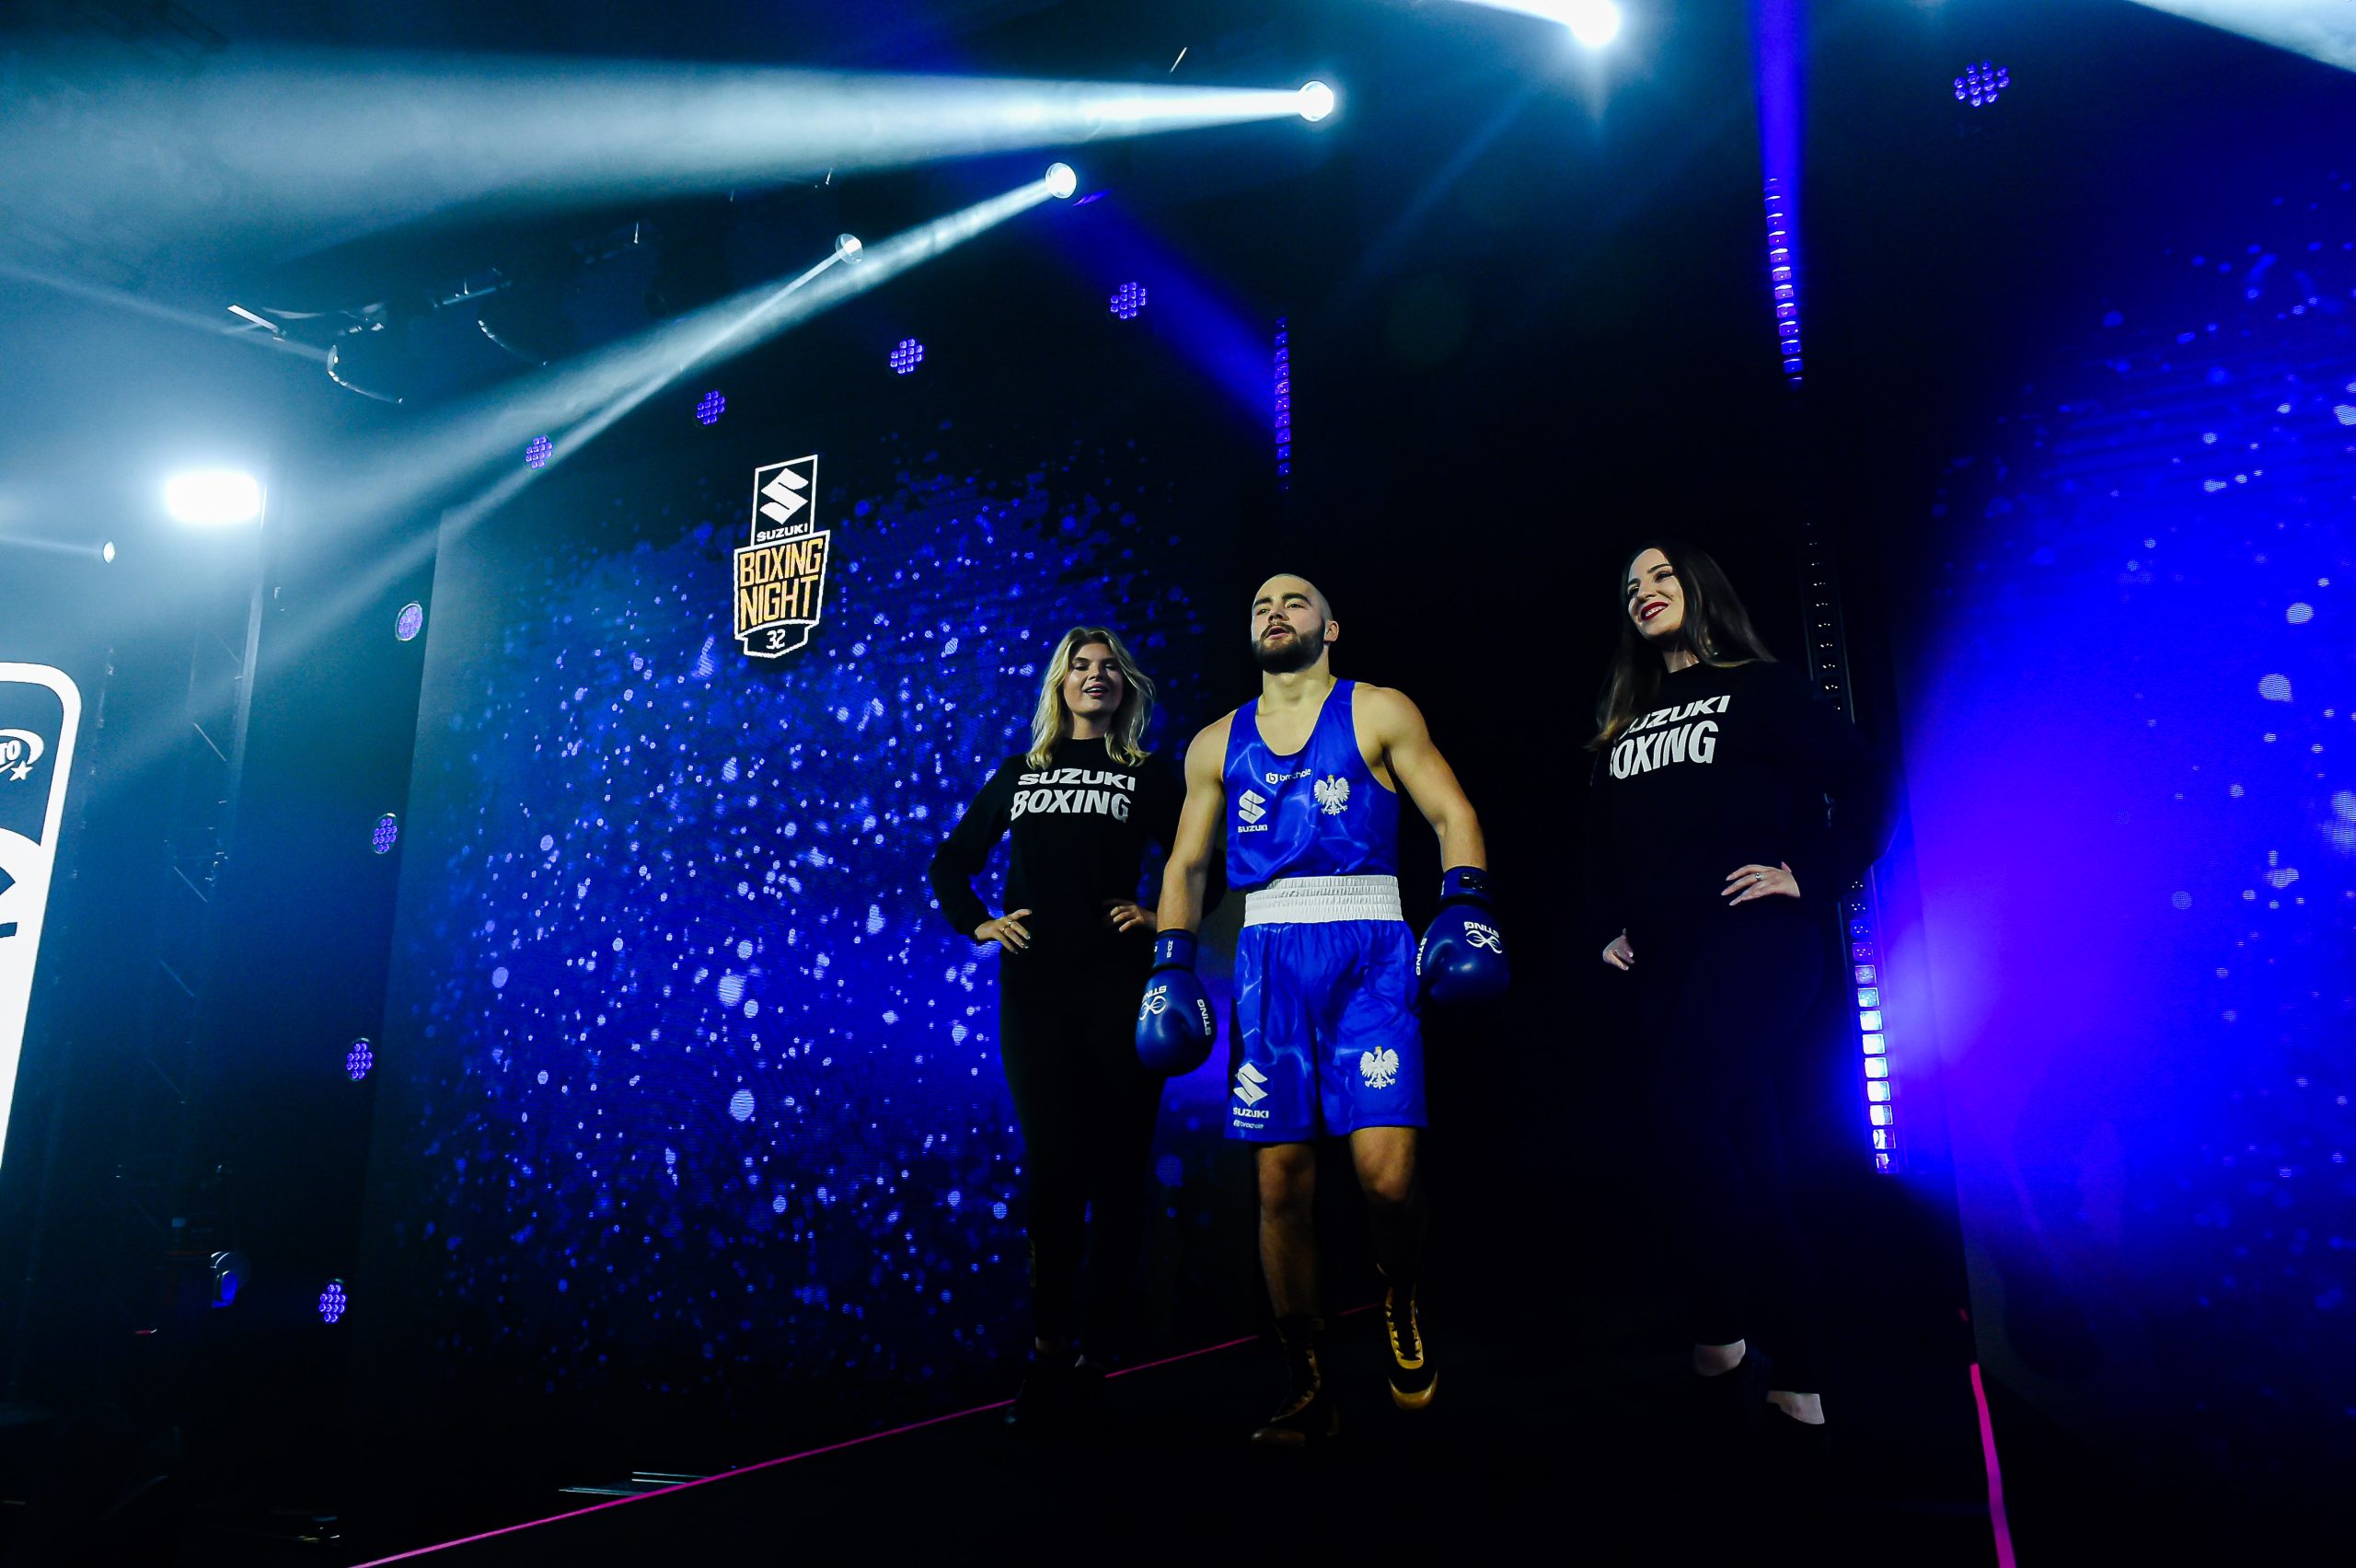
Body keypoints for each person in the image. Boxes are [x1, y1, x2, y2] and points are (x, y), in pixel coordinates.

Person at [1138, 573, 1506, 1447]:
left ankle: (1400, 1294)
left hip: (1370, 952)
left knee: (1388, 1178)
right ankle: (1306, 1377)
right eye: (1260, 604)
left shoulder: (1378, 709)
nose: (1275, 612)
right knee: (1279, 1186)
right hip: (1269, 965)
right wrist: (1171, 961)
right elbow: (1188, 865)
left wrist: (1466, 902)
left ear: (1330, 627)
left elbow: (1452, 810)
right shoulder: (1215, 743)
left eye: (1294, 602)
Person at [1583, 540, 1895, 1457]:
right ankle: (1795, 1372)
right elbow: (1609, 839)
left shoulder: (1760, 688)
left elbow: (1865, 775)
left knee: (1679, 1120)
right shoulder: (1624, 718)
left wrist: (1813, 874)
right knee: (1752, 1160)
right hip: (1667, 962)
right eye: (1630, 586)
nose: (1644, 593)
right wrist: (1610, 923)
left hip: (1756, 945)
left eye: (1661, 577)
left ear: (1700, 588)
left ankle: (1722, 1328)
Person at [927, 626, 1190, 1430]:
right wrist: (978, 923)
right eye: (1080, 666)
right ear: (1060, 684)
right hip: (1036, 995)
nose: (1095, 676)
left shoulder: (1148, 774)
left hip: (1120, 991)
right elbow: (950, 861)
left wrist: (1162, 917)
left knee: (1118, 1175)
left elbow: (1200, 862)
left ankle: (1098, 1359)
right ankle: (1048, 1353)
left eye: (1109, 667)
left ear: (1126, 686)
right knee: (1053, 1172)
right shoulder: (1023, 772)